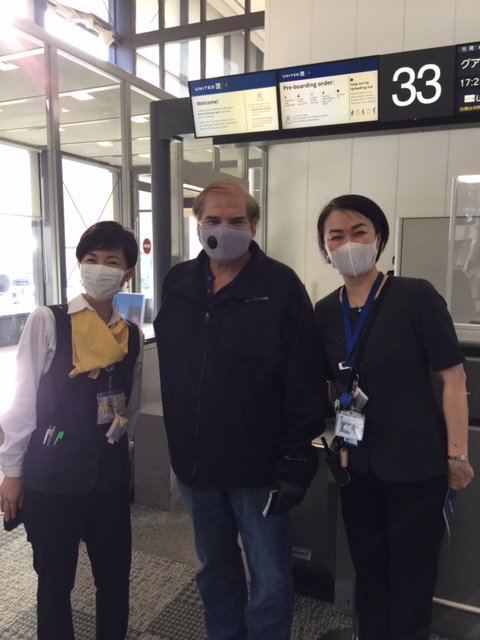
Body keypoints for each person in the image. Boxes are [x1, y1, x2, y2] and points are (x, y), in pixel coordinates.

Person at [154, 179, 326, 640]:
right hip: (197, 466)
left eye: (236, 221)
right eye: (213, 220)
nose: (223, 229)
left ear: (253, 226)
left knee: (269, 581)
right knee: (215, 571)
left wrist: (296, 461)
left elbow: (305, 378)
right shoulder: (179, 282)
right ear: (197, 224)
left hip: (260, 469)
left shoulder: (280, 285)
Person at [314, 194, 474, 640]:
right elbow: (330, 387)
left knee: (411, 576)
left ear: (378, 237)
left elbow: (454, 379)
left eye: (359, 232)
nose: (349, 243)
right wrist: (334, 442)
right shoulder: (326, 311)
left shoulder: (416, 296)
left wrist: (457, 455)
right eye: (336, 236)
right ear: (326, 248)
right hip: (356, 465)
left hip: (416, 464)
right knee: (369, 568)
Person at [0, 221, 143, 640]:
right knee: (55, 586)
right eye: (91, 260)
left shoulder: (130, 335)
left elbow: (130, 406)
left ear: (127, 272)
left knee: (115, 582)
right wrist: (12, 472)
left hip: (111, 481)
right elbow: (22, 401)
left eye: (112, 261)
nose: (100, 268)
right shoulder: (49, 321)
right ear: (80, 265)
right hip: (52, 480)